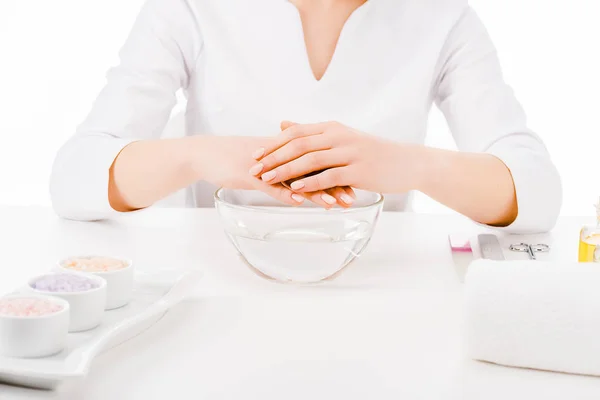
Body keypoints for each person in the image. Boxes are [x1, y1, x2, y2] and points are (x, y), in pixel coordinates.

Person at [50, 0, 562, 233]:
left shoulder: (443, 18)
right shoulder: (189, 8)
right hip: (215, 294)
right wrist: (199, 155)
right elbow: (73, 178)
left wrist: (410, 165)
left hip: (381, 294)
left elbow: (538, 194)